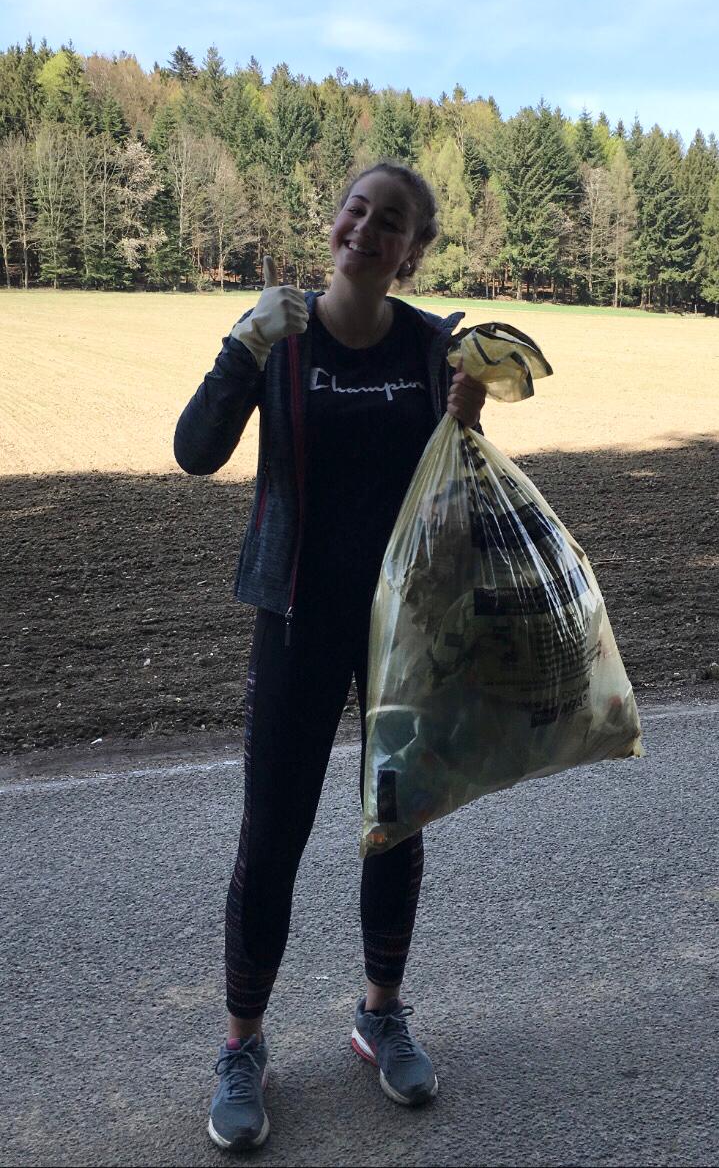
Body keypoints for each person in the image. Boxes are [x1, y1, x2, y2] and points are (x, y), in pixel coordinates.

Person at [174, 161, 487, 1151]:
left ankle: (379, 1014)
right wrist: (238, 350)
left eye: (390, 221)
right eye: (358, 208)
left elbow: (455, 483)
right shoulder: (280, 334)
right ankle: (241, 1045)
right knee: (272, 835)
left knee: (395, 825)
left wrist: (468, 421)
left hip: (402, 624)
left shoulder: (434, 345)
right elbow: (194, 451)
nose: (366, 228)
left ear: (412, 250)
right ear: (337, 219)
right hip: (296, 619)